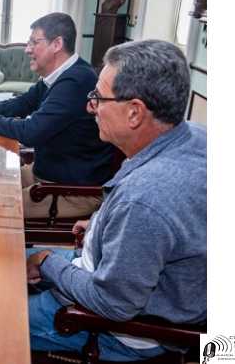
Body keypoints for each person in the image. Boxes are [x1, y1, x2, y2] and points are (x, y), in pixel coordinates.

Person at [26, 40, 206, 361]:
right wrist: (100, 225)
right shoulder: (192, 135)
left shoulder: (145, 198)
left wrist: (47, 263)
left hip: (123, 329)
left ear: (135, 112)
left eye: (98, 98)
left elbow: (113, 304)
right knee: (5, 257)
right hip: (109, 269)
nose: (90, 107)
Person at [0, 12, 114, 219]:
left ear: (57, 44)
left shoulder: (75, 81)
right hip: (48, 171)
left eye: (34, 42)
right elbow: (25, 102)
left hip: (73, 190)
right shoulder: (61, 75)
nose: (27, 49)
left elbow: (31, 132)